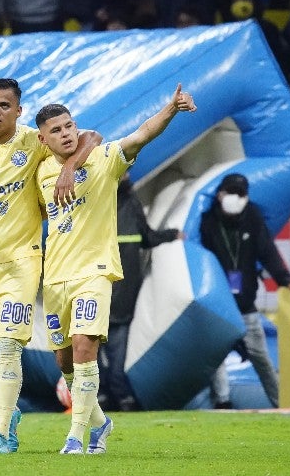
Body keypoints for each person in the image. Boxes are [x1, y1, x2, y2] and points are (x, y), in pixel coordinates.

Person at [35, 83, 197, 454]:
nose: (66, 134)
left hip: (94, 271)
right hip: (55, 276)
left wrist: (170, 108)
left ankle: (76, 437)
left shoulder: (104, 157)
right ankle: (99, 422)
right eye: (56, 130)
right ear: (43, 140)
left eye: (69, 126)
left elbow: (141, 134)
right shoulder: (40, 169)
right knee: (64, 360)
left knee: (83, 347)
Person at [0, 78, 101, 454]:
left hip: (23, 259)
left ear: (17, 110)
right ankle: (7, 412)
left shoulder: (34, 140)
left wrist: (69, 168)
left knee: (10, 345)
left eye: (3, 105)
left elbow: (92, 136)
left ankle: (1, 434)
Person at [200, 173, 290, 408]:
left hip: (246, 304)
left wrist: (286, 280)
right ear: (220, 194)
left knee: (260, 357)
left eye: (242, 194)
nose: (237, 198)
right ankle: (222, 402)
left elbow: (268, 251)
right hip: (220, 304)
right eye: (232, 192)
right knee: (216, 355)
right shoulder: (208, 222)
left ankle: (280, 402)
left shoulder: (252, 217)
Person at [98, 173, 181, 412]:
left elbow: (147, 237)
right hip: (118, 294)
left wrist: (171, 234)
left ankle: (106, 394)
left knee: (96, 350)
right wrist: (171, 235)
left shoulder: (107, 201)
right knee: (111, 351)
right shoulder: (125, 202)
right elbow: (148, 237)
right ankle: (117, 395)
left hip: (108, 295)